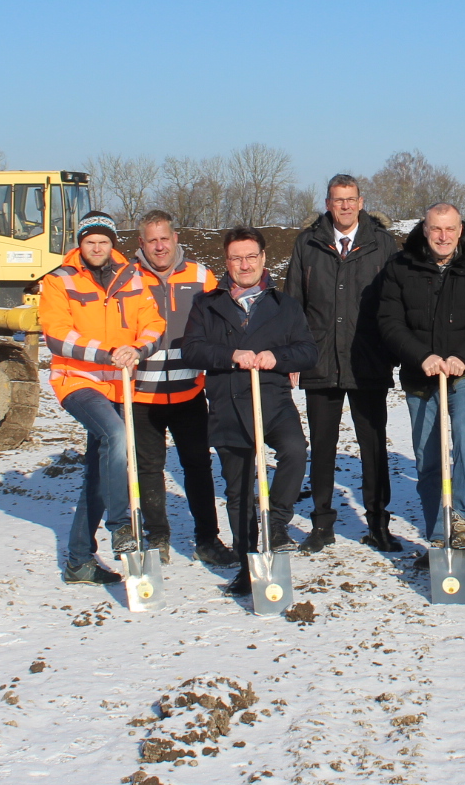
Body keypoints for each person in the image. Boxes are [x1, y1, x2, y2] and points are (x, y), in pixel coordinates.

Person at [181, 228, 319, 596]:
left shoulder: (284, 305)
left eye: (251, 257)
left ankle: (276, 521)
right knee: (239, 489)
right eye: (236, 258)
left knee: (295, 450)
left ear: (262, 259)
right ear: (226, 262)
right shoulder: (207, 304)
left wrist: (278, 357)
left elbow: (308, 351)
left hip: (273, 401)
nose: (244, 265)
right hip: (227, 404)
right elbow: (191, 350)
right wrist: (230, 356)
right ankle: (247, 566)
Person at [38, 210, 167, 584]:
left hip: (119, 384)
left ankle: (79, 560)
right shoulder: (60, 280)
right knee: (116, 436)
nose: (96, 248)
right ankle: (120, 525)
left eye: (103, 242)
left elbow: (154, 324)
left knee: (99, 473)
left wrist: (137, 350)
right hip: (77, 381)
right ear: (80, 244)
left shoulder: (132, 278)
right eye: (90, 242)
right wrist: (108, 351)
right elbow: (57, 335)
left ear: (113, 245)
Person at [376, 203, 465, 558]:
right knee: (427, 455)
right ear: (425, 229)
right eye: (436, 229)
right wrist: (423, 357)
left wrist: (463, 357)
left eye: (450, 229)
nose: (443, 236)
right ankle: (439, 530)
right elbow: (390, 322)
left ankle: (462, 518)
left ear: (461, 230)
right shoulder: (400, 268)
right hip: (422, 374)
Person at [285, 175, 400, 552]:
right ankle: (322, 524)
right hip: (320, 361)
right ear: (328, 202)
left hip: (367, 362)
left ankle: (378, 523)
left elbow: (396, 303)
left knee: (373, 446)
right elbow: (293, 304)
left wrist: (392, 350)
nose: (345, 206)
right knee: (322, 446)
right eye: (338, 200)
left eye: (351, 199)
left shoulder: (383, 244)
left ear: (361, 201)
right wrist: (292, 354)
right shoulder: (308, 243)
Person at [131, 210, 231, 566]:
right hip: (142, 392)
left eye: (164, 238)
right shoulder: (127, 278)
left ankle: (207, 538)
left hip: (189, 390)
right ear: (141, 243)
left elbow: (221, 323)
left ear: (175, 238)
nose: (159, 246)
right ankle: (156, 535)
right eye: (151, 240)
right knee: (148, 468)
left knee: (198, 465)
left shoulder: (201, 276)